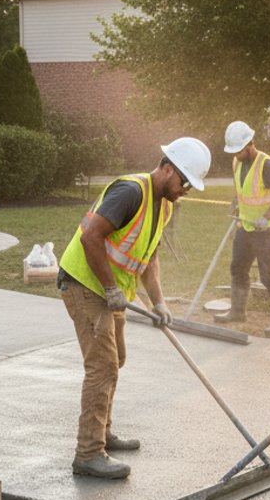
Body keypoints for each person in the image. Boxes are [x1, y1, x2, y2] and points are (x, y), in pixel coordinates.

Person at [57, 137, 212, 479]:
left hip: (110, 290)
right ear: (167, 168)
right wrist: (111, 288)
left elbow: (149, 256)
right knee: (103, 365)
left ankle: (103, 433)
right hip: (85, 284)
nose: (186, 189)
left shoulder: (165, 204)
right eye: (184, 181)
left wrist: (159, 302)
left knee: (117, 359)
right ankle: (88, 453)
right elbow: (90, 238)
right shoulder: (131, 192)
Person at [214, 120, 270, 336]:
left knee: (268, 274)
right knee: (238, 268)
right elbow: (241, 190)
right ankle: (238, 312)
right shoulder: (237, 162)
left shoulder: (266, 164)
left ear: (250, 144)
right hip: (245, 226)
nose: (237, 154)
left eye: (240, 150)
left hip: (267, 229)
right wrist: (235, 208)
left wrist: (266, 217)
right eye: (234, 151)